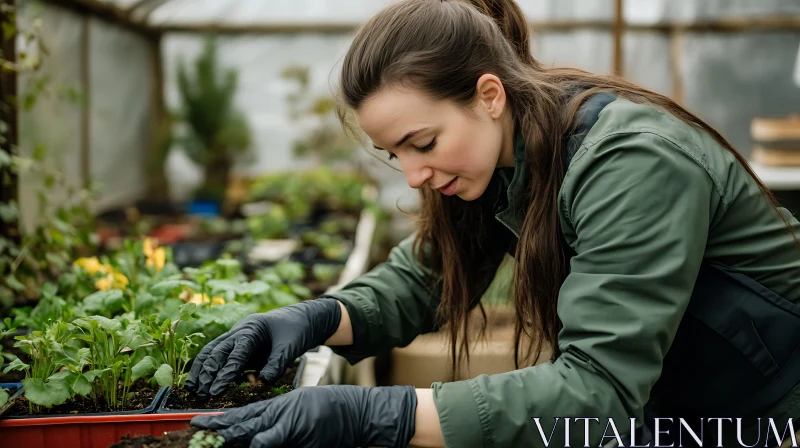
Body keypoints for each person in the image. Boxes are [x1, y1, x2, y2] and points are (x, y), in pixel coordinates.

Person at [187, 0, 800, 447]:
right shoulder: (501, 157)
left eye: (422, 142)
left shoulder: (631, 161)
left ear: (489, 95)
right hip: (686, 405)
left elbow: (598, 393)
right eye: (395, 154)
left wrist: (374, 415)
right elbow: (420, 280)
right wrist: (314, 318)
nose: (413, 175)